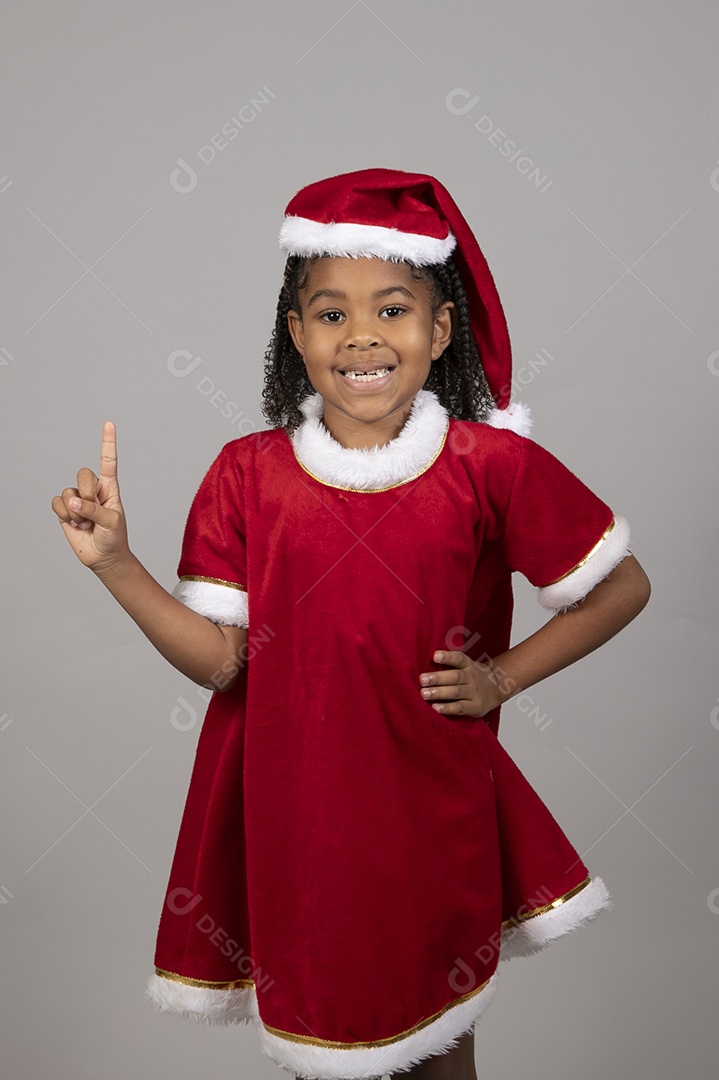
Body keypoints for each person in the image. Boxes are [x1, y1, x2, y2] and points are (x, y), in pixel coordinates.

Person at [51, 168, 651, 1080]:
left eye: (394, 308)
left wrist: (503, 678)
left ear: (438, 328)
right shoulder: (245, 474)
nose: (361, 335)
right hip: (295, 821)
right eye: (330, 314)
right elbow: (220, 663)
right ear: (295, 335)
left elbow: (620, 587)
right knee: (320, 1043)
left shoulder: (488, 465)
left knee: (439, 1039)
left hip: (431, 810)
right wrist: (118, 566)